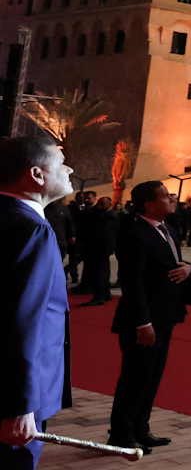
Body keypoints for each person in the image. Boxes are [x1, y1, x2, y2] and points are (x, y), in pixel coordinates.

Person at [0, 136, 76, 470]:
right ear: (37, 174)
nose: (69, 168)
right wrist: (19, 405)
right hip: (12, 397)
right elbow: (21, 320)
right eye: (60, 163)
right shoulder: (32, 229)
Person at [110, 181, 191, 454]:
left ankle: (140, 427)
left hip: (166, 315)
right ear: (149, 204)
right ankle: (121, 433)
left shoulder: (168, 230)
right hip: (143, 319)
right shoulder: (134, 234)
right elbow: (132, 281)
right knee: (135, 377)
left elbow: (177, 267)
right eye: (165, 196)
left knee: (152, 375)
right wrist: (142, 322)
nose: (172, 199)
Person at [78, 195, 119, 306]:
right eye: (99, 204)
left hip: (101, 248)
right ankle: (105, 293)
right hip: (100, 248)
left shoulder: (110, 217)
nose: (99, 206)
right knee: (103, 271)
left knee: (100, 273)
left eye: (102, 204)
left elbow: (102, 233)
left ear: (109, 204)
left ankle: (99, 296)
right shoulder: (103, 215)